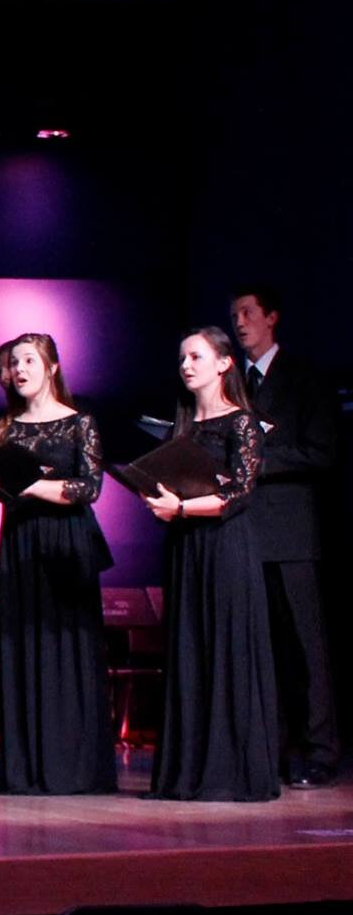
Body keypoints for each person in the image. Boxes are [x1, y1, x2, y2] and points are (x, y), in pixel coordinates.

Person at [0, 334, 115, 795]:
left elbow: (89, 488)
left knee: (70, 650)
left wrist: (31, 486)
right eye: (13, 362)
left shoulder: (79, 422)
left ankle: (77, 767)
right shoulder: (1, 428)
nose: (19, 368)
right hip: (21, 543)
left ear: (52, 367)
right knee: (24, 650)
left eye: (29, 360)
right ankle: (27, 768)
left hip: (68, 543)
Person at [142, 328, 278, 802]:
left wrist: (179, 508)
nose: (186, 365)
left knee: (224, 649)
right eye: (182, 357)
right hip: (187, 549)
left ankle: (228, 772)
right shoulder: (182, 428)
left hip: (224, 547)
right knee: (189, 650)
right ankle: (188, 772)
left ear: (223, 364)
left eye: (196, 356)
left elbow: (238, 493)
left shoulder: (241, 423)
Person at [230, 287, 339, 788]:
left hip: (292, 533)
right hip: (245, 531)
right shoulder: (233, 381)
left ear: (272, 318)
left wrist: (256, 464)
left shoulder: (304, 377)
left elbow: (321, 453)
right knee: (262, 647)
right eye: (235, 315)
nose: (240, 322)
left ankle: (321, 751)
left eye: (249, 313)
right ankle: (268, 751)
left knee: (306, 647)